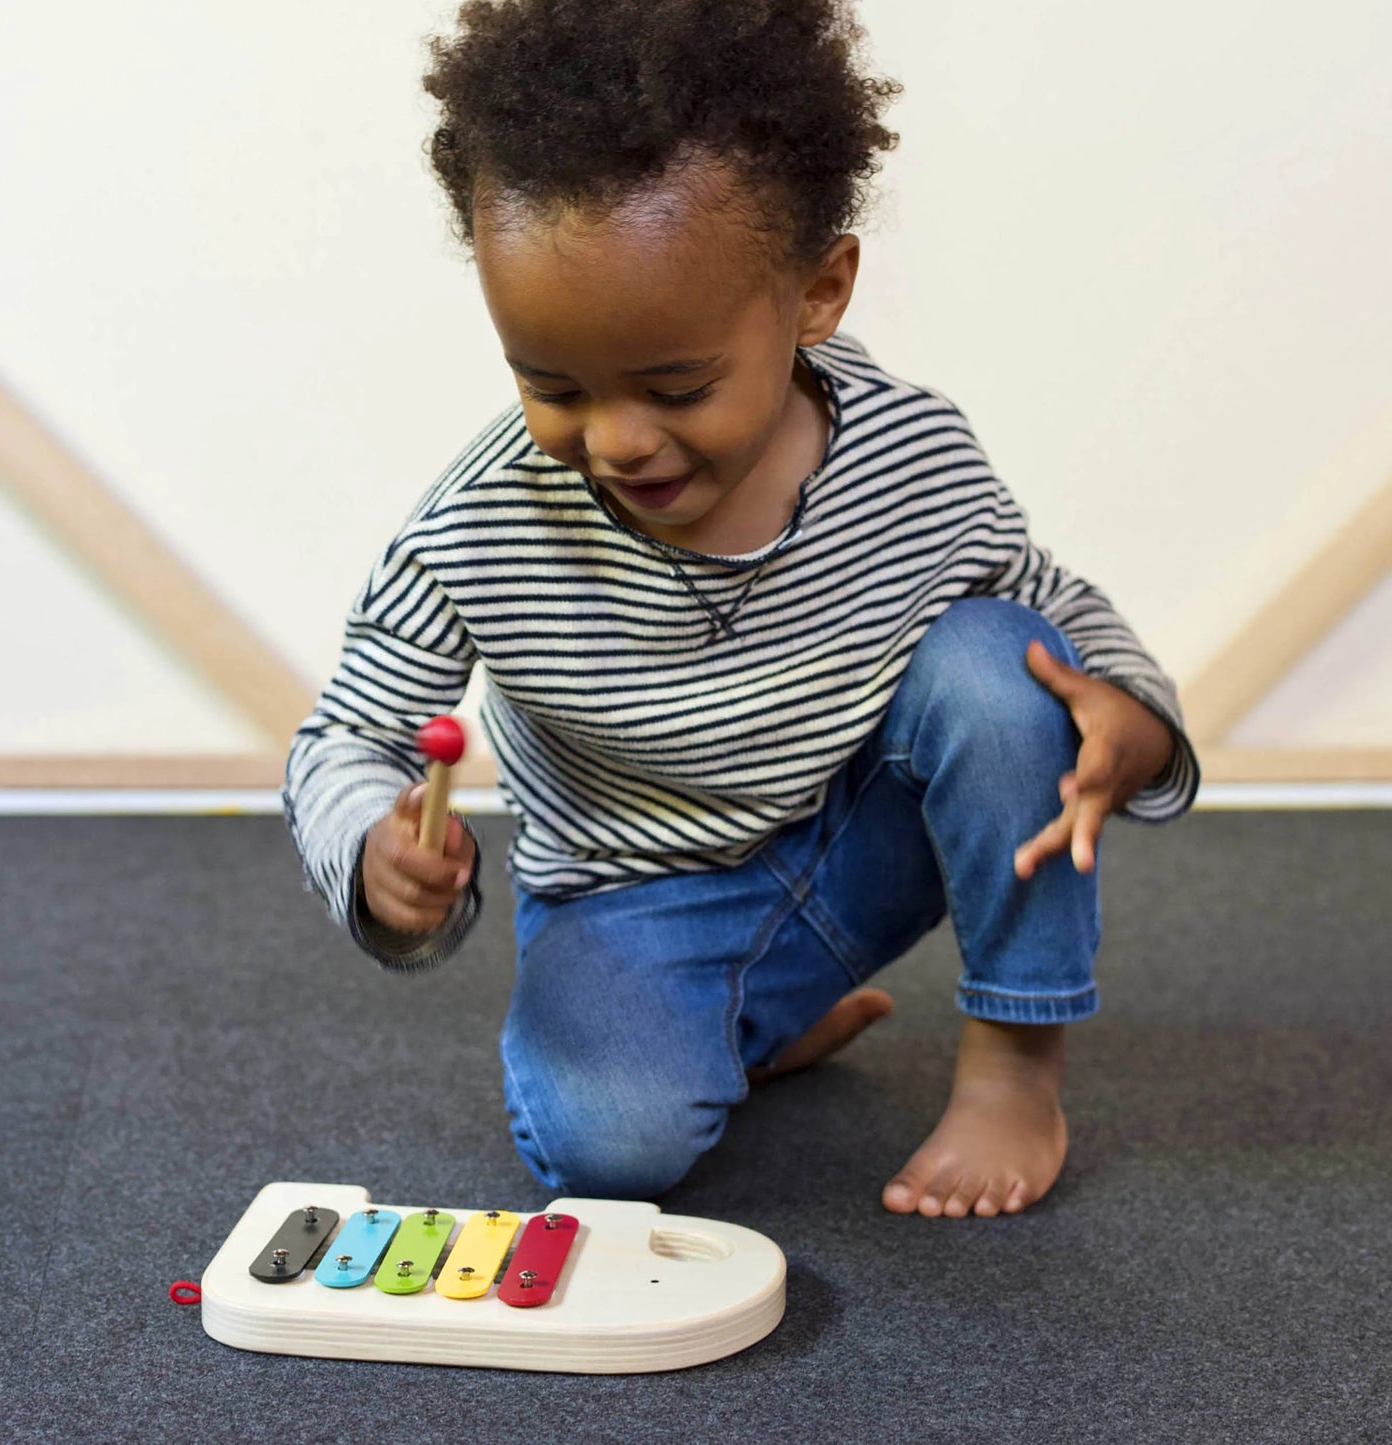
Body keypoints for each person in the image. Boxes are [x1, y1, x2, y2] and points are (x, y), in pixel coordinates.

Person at [284, 0, 1199, 1219]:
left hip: (864, 837)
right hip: (630, 893)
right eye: (549, 384)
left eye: (675, 384)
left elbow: (1049, 602)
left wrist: (1130, 715)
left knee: (1001, 666)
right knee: (599, 1150)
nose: (613, 439)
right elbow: (345, 739)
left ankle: (1012, 1064)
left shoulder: (908, 452)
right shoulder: (475, 525)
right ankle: (758, 1007)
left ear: (816, 292)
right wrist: (374, 853)